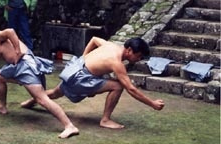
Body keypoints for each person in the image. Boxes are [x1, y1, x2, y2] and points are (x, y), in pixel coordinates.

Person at [21, 37, 165, 129]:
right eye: (138, 56)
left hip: (75, 69)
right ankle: (105, 120)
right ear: (129, 50)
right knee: (118, 85)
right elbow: (131, 89)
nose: (138, 59)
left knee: (55, 92)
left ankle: (31, 101)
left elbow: (94, 39)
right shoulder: (116, 62)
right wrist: (152, 103)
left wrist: (83, 57)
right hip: (81, 78)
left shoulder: (111, 46)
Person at [0, 28, 79, 138]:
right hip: (18, 69)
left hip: (26, 66)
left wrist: (17, 50)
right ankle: (2, 107)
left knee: (42, 99)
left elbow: (10, 31)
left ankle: (69, 126)